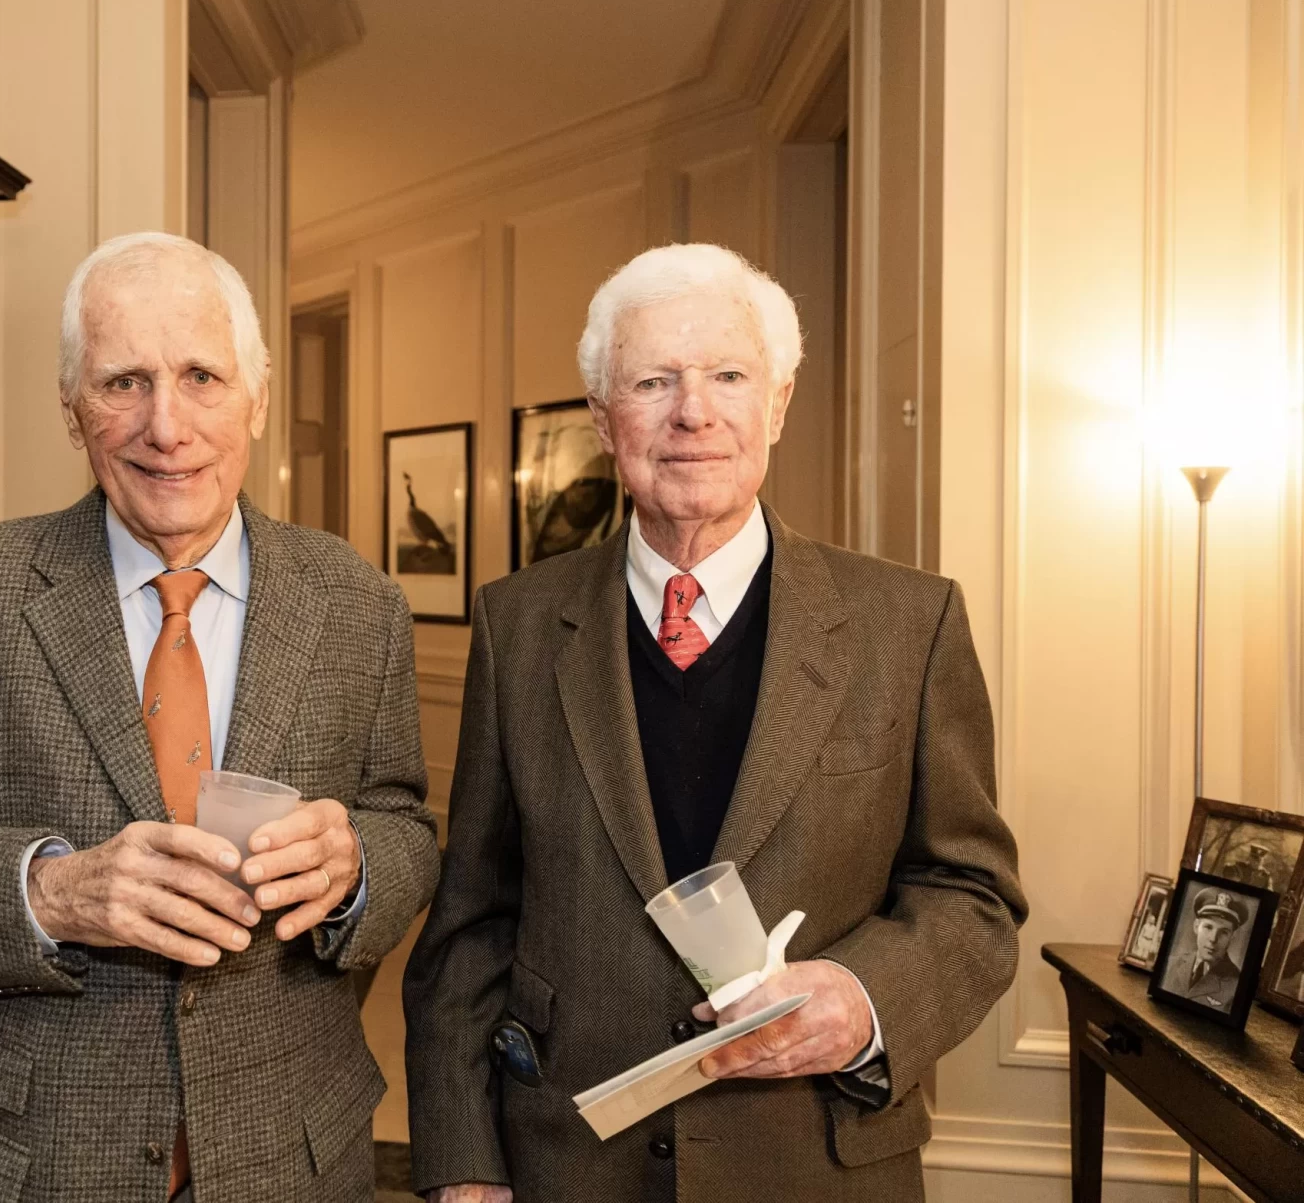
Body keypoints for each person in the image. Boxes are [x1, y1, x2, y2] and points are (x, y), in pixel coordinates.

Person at [0, 233, 440, 1202]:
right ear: (73, 410)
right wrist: (50, 892)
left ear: (257, 398)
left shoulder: (360, 604)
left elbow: (405, 828)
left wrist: (355, 865)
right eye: (123, 383)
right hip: (28, 1168)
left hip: (293, 1157)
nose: (166, 427)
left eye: (201, 377)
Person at [404, 243, 1027, 1202]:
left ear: (777, 404)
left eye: (728, 376)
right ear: (605, 420)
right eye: (653, 381)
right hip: (571, 1165)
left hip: (815, 1165)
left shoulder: (911, 624)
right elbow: (472, 926)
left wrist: (864, 998)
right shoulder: (517, 625)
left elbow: (972, 895)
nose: (692, 412)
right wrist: (463, 1163)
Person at [1162, 890, 1248, 1009]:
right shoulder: (1169, 964)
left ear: (1232, 937)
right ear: (1196, 926)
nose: (1213, 939)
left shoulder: (1236, 986)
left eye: (1224, 932)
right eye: (1208, 927)